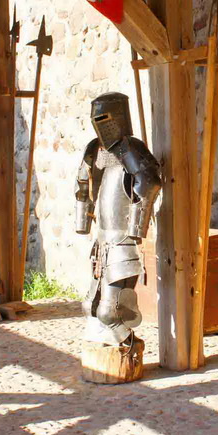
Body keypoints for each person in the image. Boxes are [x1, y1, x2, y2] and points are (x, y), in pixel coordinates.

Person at [75, 92, 162, 346]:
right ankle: (106, 350)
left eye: (103, 118)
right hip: (101, 241)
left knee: (110, 311)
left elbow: (149, 182)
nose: (100, 124)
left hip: (121, 240)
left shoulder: (130, 148)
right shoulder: (94, 149)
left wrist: (136, 226)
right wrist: (83, 223)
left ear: (118, 116)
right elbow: (82, 185)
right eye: (96, 119)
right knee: (90, 306)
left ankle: (125, 345)